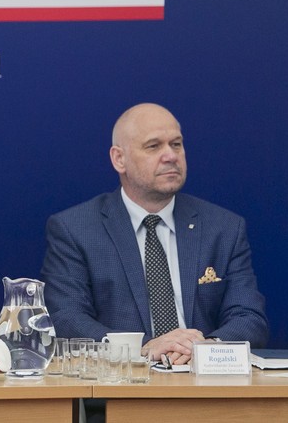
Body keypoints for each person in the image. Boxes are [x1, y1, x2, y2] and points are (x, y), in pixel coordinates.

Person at [41, 103, 268, 366]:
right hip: (123, 378)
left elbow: (249, 317)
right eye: (153, 146)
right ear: (119, 159)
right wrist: (145, 347)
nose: (170, 156)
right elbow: (66, 318)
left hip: (201, 377)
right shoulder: (75, 228)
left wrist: (207, 349)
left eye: (176, 144)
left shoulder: (223, 227)